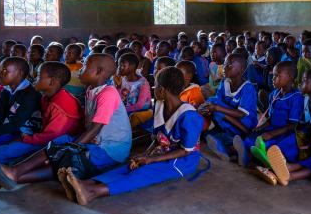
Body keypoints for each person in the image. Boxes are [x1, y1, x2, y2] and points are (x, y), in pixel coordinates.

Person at [0, 54, 132, 192]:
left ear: (98, 71)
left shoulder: (108, 93)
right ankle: (12, 173)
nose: (81, 68)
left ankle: (11, 174)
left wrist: (72, 148)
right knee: (58, 145)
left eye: (85, 66)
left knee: (65, 157)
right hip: (97, 142)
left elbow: (96, 128)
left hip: (111, 149)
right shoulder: (92, 89)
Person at [59, 67, 206, 205]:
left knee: (144, 172)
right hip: (164, 151)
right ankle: (86, 184)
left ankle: (94, 192)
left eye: (154, 85)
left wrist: (152, 159)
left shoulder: (189, 116)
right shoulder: (160, 106)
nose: (153, 88)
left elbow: (185, 150)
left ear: (162, 90)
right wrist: (145, 155)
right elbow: (158, 139)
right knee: (131, 165)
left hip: (182, 160)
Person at [0, 63, 83, 192]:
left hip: (58, 143)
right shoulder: (47, 97)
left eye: (39, 77)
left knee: (12, 150)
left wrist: (26, 138)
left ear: (51, 81)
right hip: (42, 138)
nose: (34, 79)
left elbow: (53, 136)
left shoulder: (61, 103)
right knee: (1, 152)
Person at [234, 61, 303, 167]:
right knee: (252, 138)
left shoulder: (296, 97)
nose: (273, 78)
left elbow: (292, 125)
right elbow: (271, 118)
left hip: (284, 134)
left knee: (270, 145)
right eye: (273, 75)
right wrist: (260, 127)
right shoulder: (274, 94)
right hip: (271, 129)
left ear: (290, 77)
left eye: (277, 75)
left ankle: (250, 157)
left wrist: (272, 134)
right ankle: (246, 155)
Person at [201, 53, 257, 160]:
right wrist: (206, 109)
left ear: (241, 70)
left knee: (213, 105)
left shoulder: (248, 88)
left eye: (229, 65)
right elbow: (217, 102)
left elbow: (240, 114)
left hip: (244, 123)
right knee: (207, 135)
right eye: (225, 64)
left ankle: (239, 139)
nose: (224, 67)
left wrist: (216, 108)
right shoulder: (224, 82)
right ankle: (232, 149)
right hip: (228, 122)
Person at [115, 53, 152, 120]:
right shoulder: (121, 80)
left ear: (132, 67)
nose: (119, 68)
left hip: (140, 114)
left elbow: (140, 105)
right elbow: (118, 100)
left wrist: (121, 111)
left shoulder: (142, 83)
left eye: (123, 65)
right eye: (119, 65)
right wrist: (118, 87)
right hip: (125, 112)